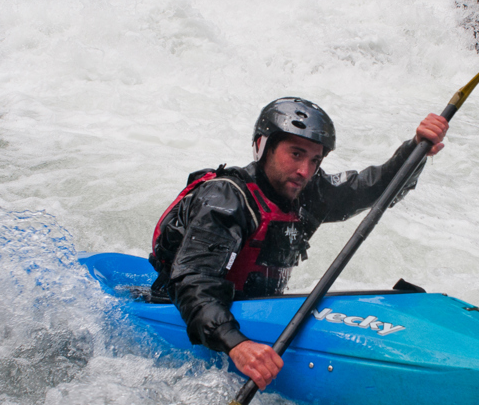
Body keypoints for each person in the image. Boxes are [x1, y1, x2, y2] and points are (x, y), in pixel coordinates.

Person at [149, 97, 448, 390]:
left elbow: (376, 188)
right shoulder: (226, 200)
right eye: (295, 154)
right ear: (262, 147)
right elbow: (194, 282)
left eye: (315, 160)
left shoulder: (306, 194)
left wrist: (417, 149)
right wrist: (236, 344)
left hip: (252, 315)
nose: (305, 170)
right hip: (188, 316)